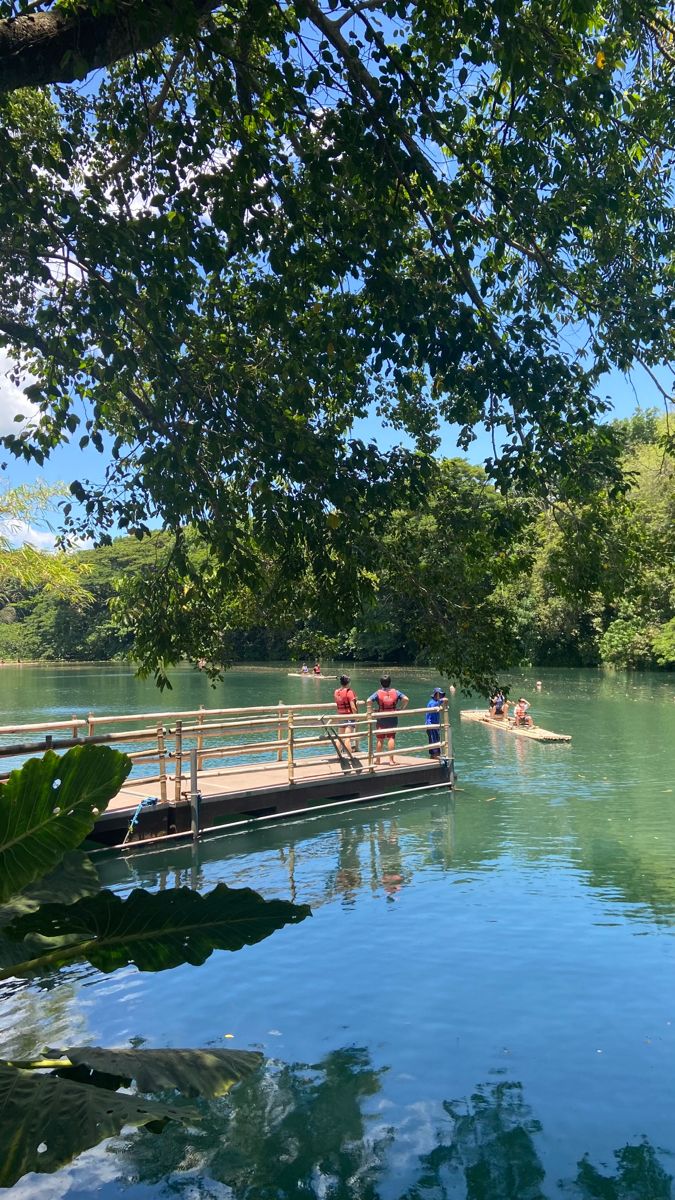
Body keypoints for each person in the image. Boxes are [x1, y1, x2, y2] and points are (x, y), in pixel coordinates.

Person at [367, 675, 409, 765]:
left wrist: (371, 710)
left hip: (381, 717)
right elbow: (406, 699)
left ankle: (378, 760)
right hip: (392, 718)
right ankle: (391, 760)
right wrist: (401, 709)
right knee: (391, 738)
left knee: (380, 739)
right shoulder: (396, 692)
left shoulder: (378, 693)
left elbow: (368, 701)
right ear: (390, 682)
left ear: (381, 683)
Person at [334, 674, 358, 755]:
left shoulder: (337, 692)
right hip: (349, 717)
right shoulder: (349, 692)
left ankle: (338, 755)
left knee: (340, 737)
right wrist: (356, 716)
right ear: (348, 683)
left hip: (341, 716)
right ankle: (350, 756)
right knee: (347, 738)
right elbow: (353, 707)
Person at [425, 687, 445, 757]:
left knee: (436, 743)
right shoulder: (432, 702)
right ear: (435, 695)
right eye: (439, 694)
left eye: (441, 695)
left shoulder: (436, 702)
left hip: (435, 725)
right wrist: (443, 701)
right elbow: (436, 705)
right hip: (431, 725)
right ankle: (435, 758)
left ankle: (435, 757)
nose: (440, 696)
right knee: (434, 745)